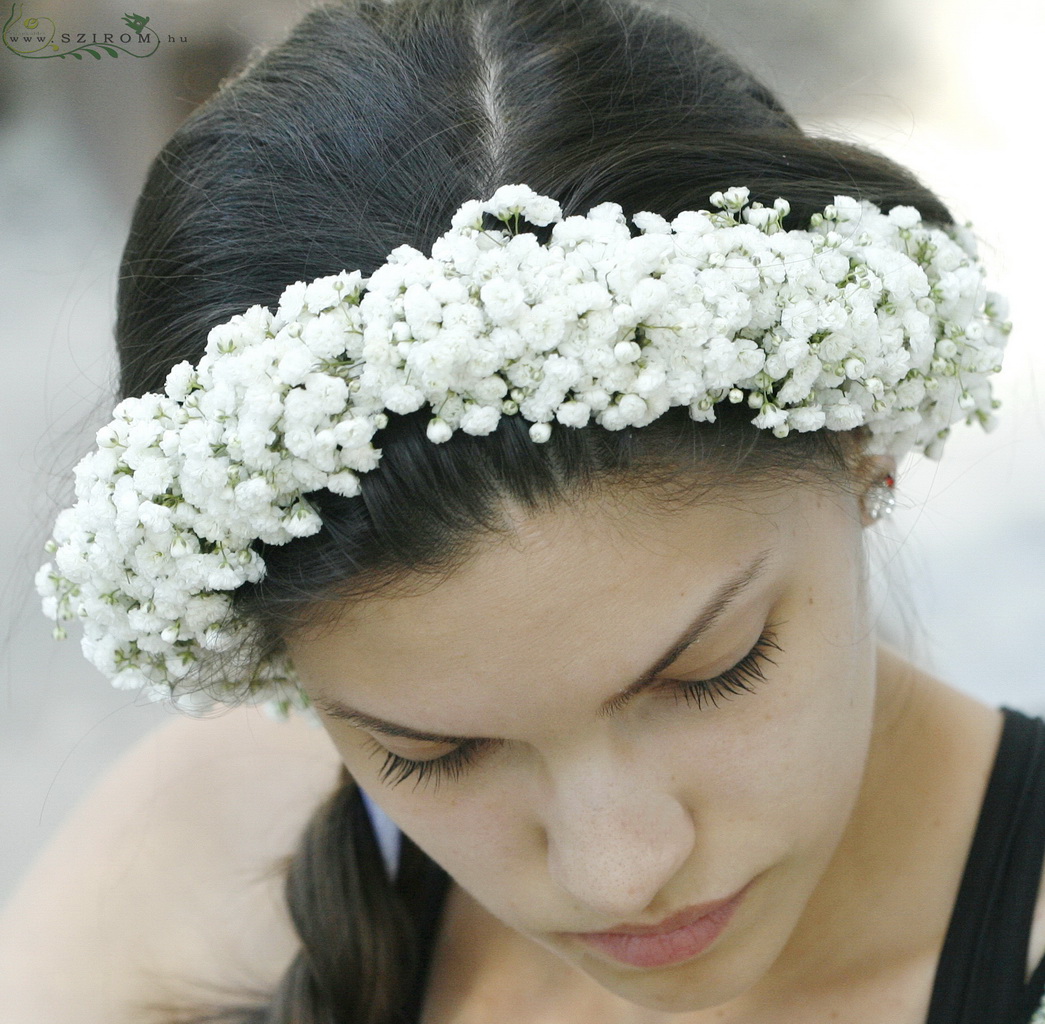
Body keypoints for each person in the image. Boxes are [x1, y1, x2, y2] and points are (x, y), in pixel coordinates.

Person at [0, 0, 1038, 1021]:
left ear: (861, 448)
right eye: (434, 753)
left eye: (713, 670)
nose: (619, 872)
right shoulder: (211, 852)